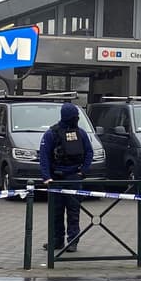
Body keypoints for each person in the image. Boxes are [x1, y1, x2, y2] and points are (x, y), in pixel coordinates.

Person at [39, 103, 93, 252]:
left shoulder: (80, 133)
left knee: (73, 212)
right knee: (56, 212)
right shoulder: (52, 133)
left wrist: (83, 171)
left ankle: (73, 241)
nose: (75, 120)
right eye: (74, 117)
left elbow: (89, 152)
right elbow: (44, 156)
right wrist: (47, 177)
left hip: (73, 178)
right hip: (57, 179)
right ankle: (57, 241)